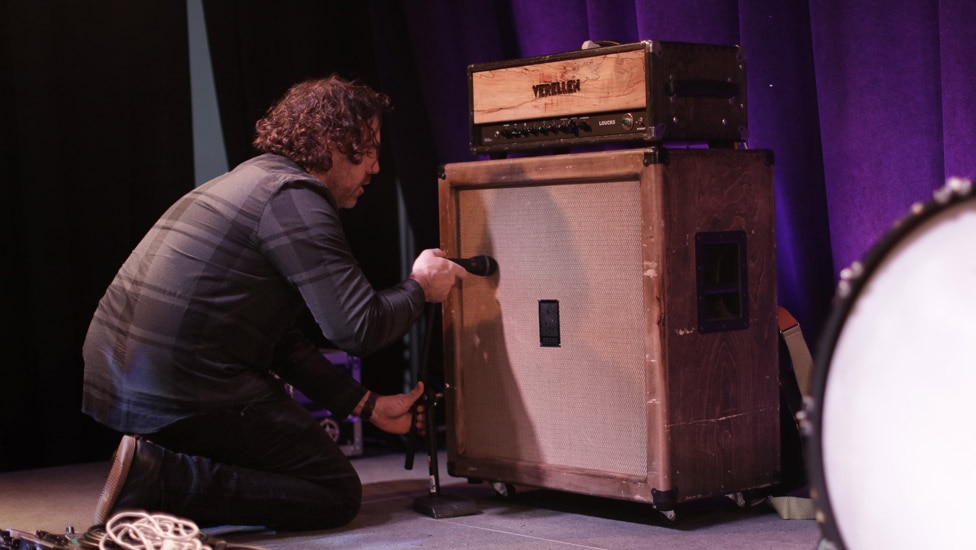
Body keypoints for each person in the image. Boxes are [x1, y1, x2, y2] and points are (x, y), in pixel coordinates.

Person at [81, 75, 468, 530]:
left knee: (288, 467)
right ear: (329, 141)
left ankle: (159, 467)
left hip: (123, 379)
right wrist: (421, 286)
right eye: (367, 148)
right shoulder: (295, 198)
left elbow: (278, 340)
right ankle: (157, 480)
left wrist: (367, 405)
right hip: (181, 387)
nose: (376, 168)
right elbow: (358, 328)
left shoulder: (255, 180)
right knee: (334, 492)